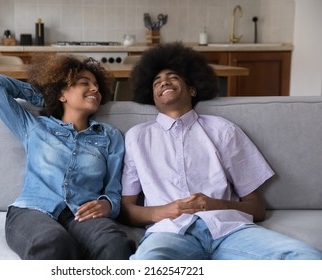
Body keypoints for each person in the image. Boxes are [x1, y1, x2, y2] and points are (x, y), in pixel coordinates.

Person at [120, 42, 322, 260]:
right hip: (169, 233)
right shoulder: (137, 137)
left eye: (173, 76)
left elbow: (257, 208)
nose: (164, 82)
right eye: (156, 82)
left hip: (229, 230)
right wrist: (166, 210)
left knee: (305, 256)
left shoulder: (223, 130)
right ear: (153, 98)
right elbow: (126, 209)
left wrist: (213, 205)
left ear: (192, 89)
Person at [0, 54, 136, 260]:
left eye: (97, 85)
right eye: (84, 83)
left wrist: (107, 204)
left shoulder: (109, 136)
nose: (95, 89)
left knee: (115, 245)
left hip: (83, 214)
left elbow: (113, 190)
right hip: (34, 211)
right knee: (54, 243)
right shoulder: (35, 127)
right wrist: (46, 97)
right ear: (63, 93)